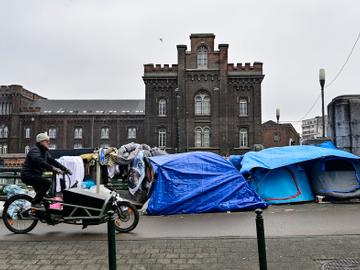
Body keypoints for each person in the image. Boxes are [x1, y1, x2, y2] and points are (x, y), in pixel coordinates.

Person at [21, 132, 71, 209]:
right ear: (41, 142)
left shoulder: (45, 152)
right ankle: (35, 203)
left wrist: (65, 169)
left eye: (48, 141)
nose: (48, 142)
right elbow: (39, 161)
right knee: (47, 183)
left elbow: (52, 161)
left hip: (35, 175)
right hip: (28, 175)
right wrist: (53, 168)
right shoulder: (35, 149)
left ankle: (44, 214)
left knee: (45, 198)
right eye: (46, 141)